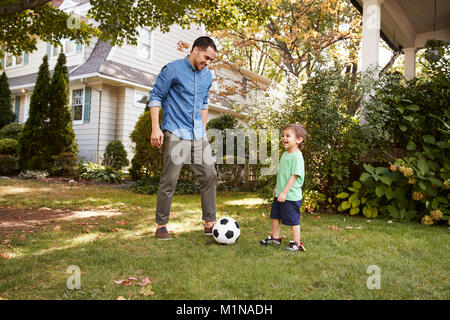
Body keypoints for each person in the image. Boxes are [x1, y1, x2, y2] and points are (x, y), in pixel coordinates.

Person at [148, 36, 218, 240]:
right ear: (195, 49)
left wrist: (203, 130)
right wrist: (155, 128)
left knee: (209, 174)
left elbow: (204, 103)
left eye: (211, 60)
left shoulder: (207, 76)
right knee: (170, 179)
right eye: (206, 57)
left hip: (197, 133)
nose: (207, 63)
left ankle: (209, 223)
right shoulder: (173, 69)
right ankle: (161, 225)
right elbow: (156, 96)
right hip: (176, 131)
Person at [260, 123, 307, 251]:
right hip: (281, 193)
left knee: (293, 220)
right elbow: (282, 174)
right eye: (283, 135)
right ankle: (275, 238)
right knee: (275, 216)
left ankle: (297, 243)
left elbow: (294, 176)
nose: (284, 138)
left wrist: (285, 192)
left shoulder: (297, 157)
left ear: (298, 140)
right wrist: (277, 188)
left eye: (288, 136)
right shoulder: (285, 154)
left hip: (290, 196)